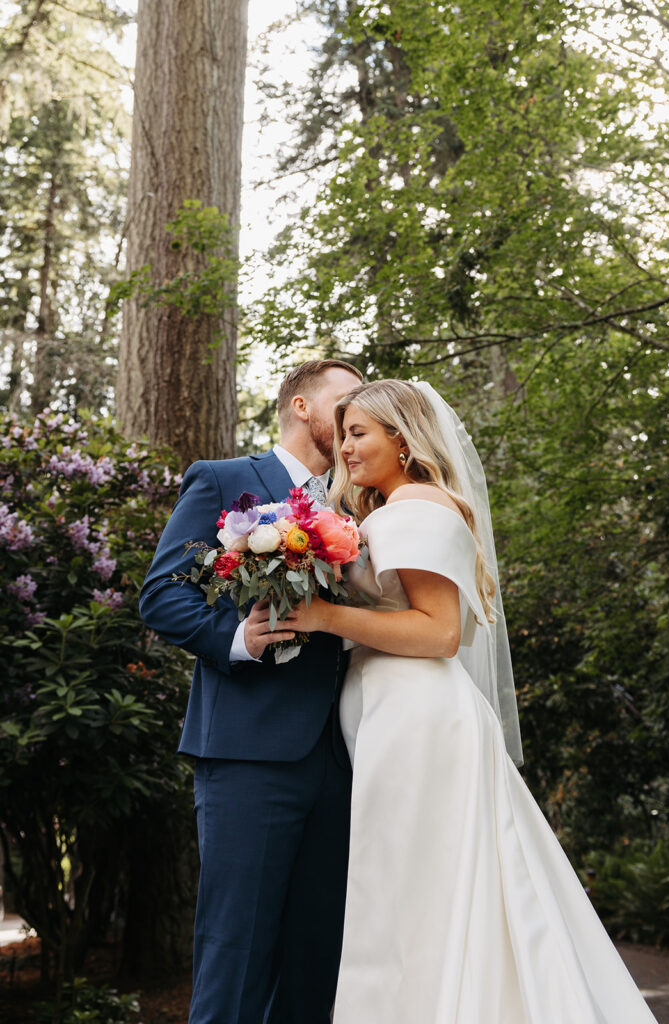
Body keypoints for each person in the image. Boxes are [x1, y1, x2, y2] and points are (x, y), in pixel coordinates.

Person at [290, 378, 658, 1024]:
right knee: (404, 889)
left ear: (402, 441)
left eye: (358, 433)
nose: (344, 448)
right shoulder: (385, 512)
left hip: (420, 721)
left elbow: (440, 632)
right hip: (390, 720)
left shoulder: (421, 507)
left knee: (420, 887)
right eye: (343, 433)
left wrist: (324, 617)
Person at [139, 359, 362, 1024]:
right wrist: (240, 641)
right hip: (247, 754)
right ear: (301, 405)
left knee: (317, 961)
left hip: (343, 758)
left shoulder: (355, 505)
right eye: (345, 400)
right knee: (235, 956)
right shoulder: (226, 479)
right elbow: (162, 596)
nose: (357, 416)